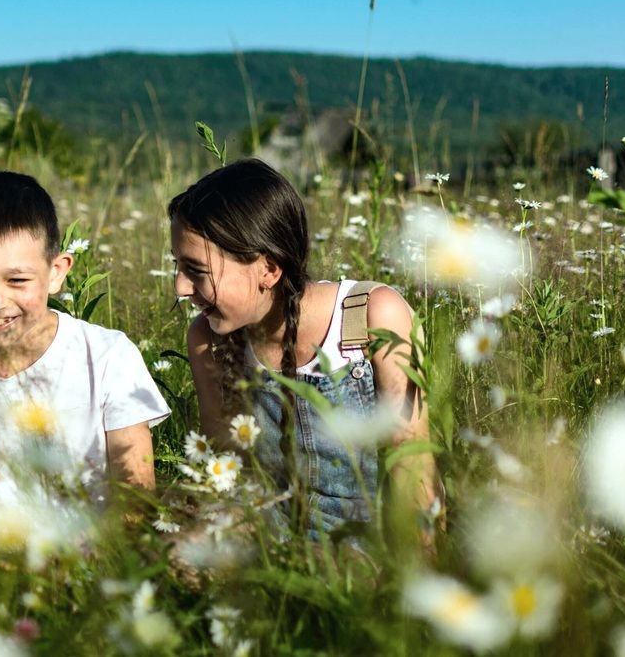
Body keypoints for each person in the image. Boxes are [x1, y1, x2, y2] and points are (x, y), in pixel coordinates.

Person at [168, 158, 439, 546]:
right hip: (269, 547)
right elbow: (227, 469)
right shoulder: (207, 340)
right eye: (177, 266)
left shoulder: (372, 317)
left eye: (196, 270)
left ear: (269, 269)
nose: (179, 287)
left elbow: (412, 466)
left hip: (367, 549)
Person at [0, 171, 170, 503]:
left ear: (56, 272)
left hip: (96, 552)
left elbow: (135, 498)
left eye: (17, 280)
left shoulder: (106, 356)